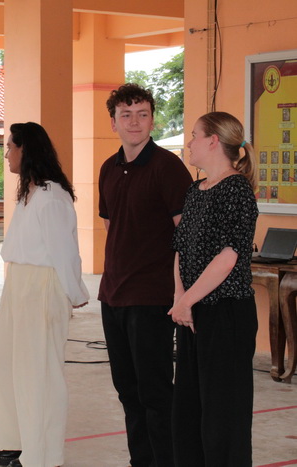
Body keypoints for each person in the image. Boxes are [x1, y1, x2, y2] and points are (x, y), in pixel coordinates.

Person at [98, 83, 192, 467]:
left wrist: (181, 293)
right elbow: (111, 226)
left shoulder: (168, 167)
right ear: (113, 122)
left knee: (155, 394)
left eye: (142, 114)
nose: (134, 122)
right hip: (112, 294)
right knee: (127, 391)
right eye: (126, 115)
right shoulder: (108, 168)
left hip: (152, 297)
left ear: (153, 120)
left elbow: (186, 236)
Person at [0, 122, 89, 467]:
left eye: (10, 147)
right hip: (19, 284)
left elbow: (65, 252)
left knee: (39, 374)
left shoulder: (51, 197)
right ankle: (17, 440)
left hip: (42, 287)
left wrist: (74, 292)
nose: (7, 154)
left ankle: (43, 455)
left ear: (26, 150)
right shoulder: (29, 193)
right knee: (10, 366)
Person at [169, 112, 258, 466]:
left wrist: (187, 301)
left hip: (225, 314)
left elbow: (228, 257)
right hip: (192, 313)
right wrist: (180, 299)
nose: (189, 143)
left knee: (223, 415)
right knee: (188, 410)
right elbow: (180, 248)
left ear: (213, 141)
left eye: (194, 135)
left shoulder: (237, 191)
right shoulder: (196, 190)